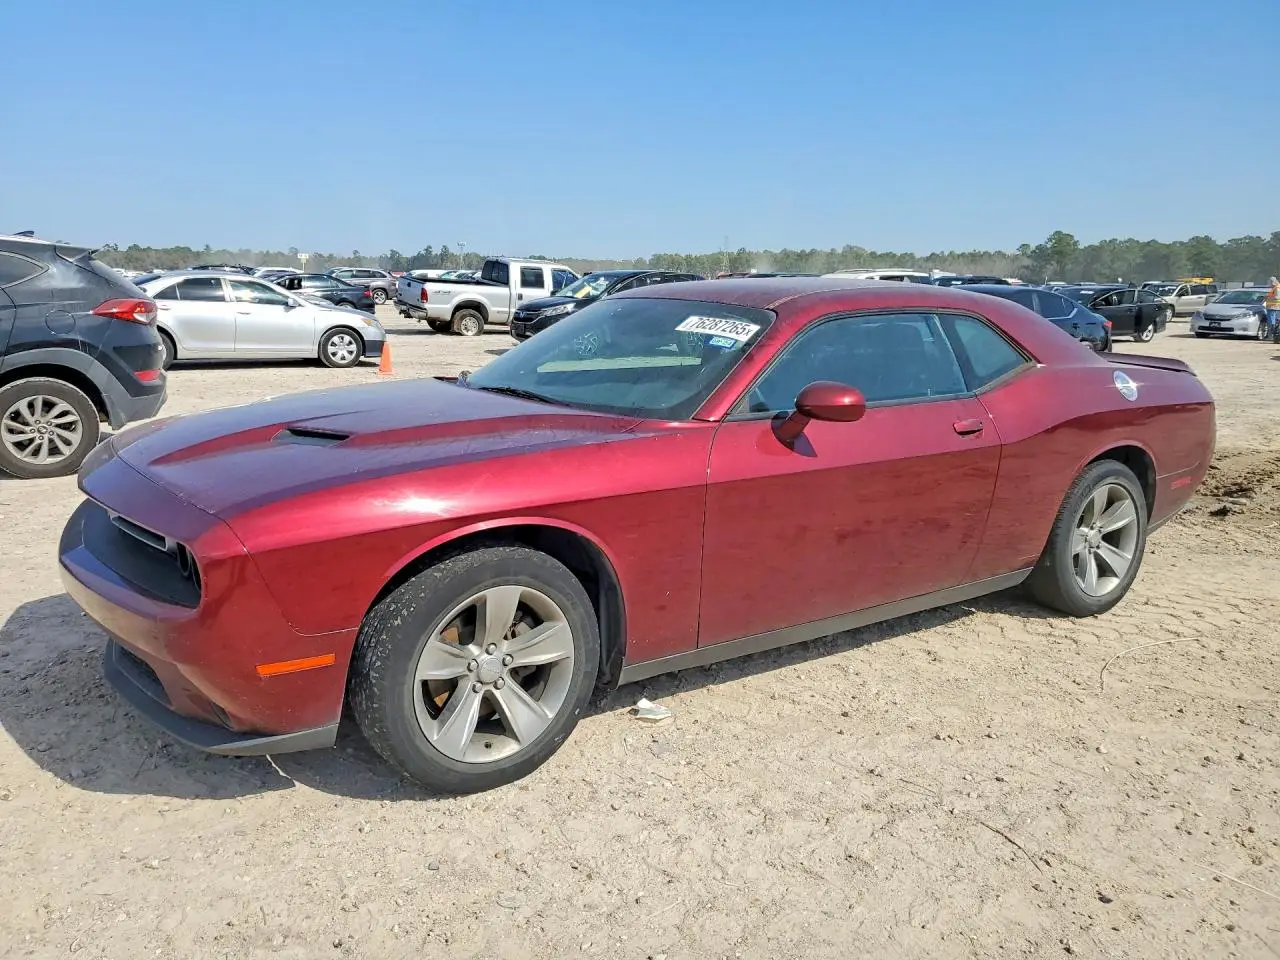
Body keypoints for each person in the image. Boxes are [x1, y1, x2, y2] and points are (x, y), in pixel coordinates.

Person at [1267, 276, 1280, 341]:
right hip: (1272, 307)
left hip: (1273, 307)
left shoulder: (1277, 288)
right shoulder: (1275, 288)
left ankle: (1272, 336)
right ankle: (1272, 335)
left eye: (1269, 282)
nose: (1268, 283)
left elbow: (1277, 297)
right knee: (1273, 321)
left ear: (1273, 282)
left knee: (1272, 322)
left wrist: (1268, 297)